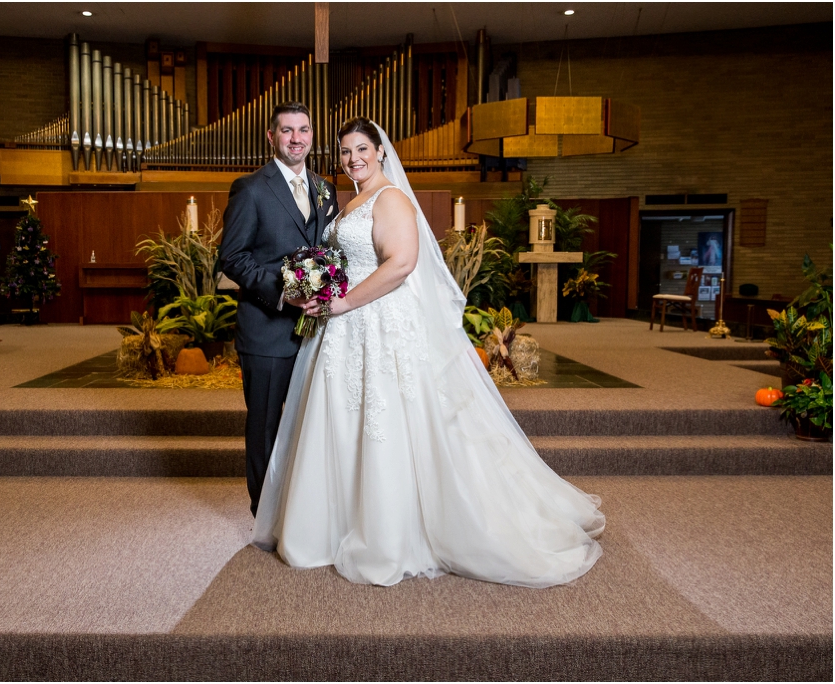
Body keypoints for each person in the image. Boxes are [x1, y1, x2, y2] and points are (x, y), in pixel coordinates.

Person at [251, 118, 605, 587]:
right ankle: (334, 522)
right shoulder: (350, 200)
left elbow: (401, 263)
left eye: (361, 149)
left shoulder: (391, 198)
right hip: (342, 327)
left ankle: (392, 531)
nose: (352, 158)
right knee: (344, 422)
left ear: (380, 151)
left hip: (374, 320)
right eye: (344, 152)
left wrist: (345, 301)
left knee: (385, 423)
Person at [220, 102, 339, 518]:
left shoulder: (325, 189)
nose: (296, 138)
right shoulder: (250, 189)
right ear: (271, 136)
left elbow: (329, 251)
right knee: (266, 426)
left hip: (316, 332)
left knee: (310, 425)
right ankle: (265, 515)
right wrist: (284, 292)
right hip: (267, 329)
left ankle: (302, 510)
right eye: (286, 130)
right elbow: (232, 258)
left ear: (311, 135)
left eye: (303, 129)